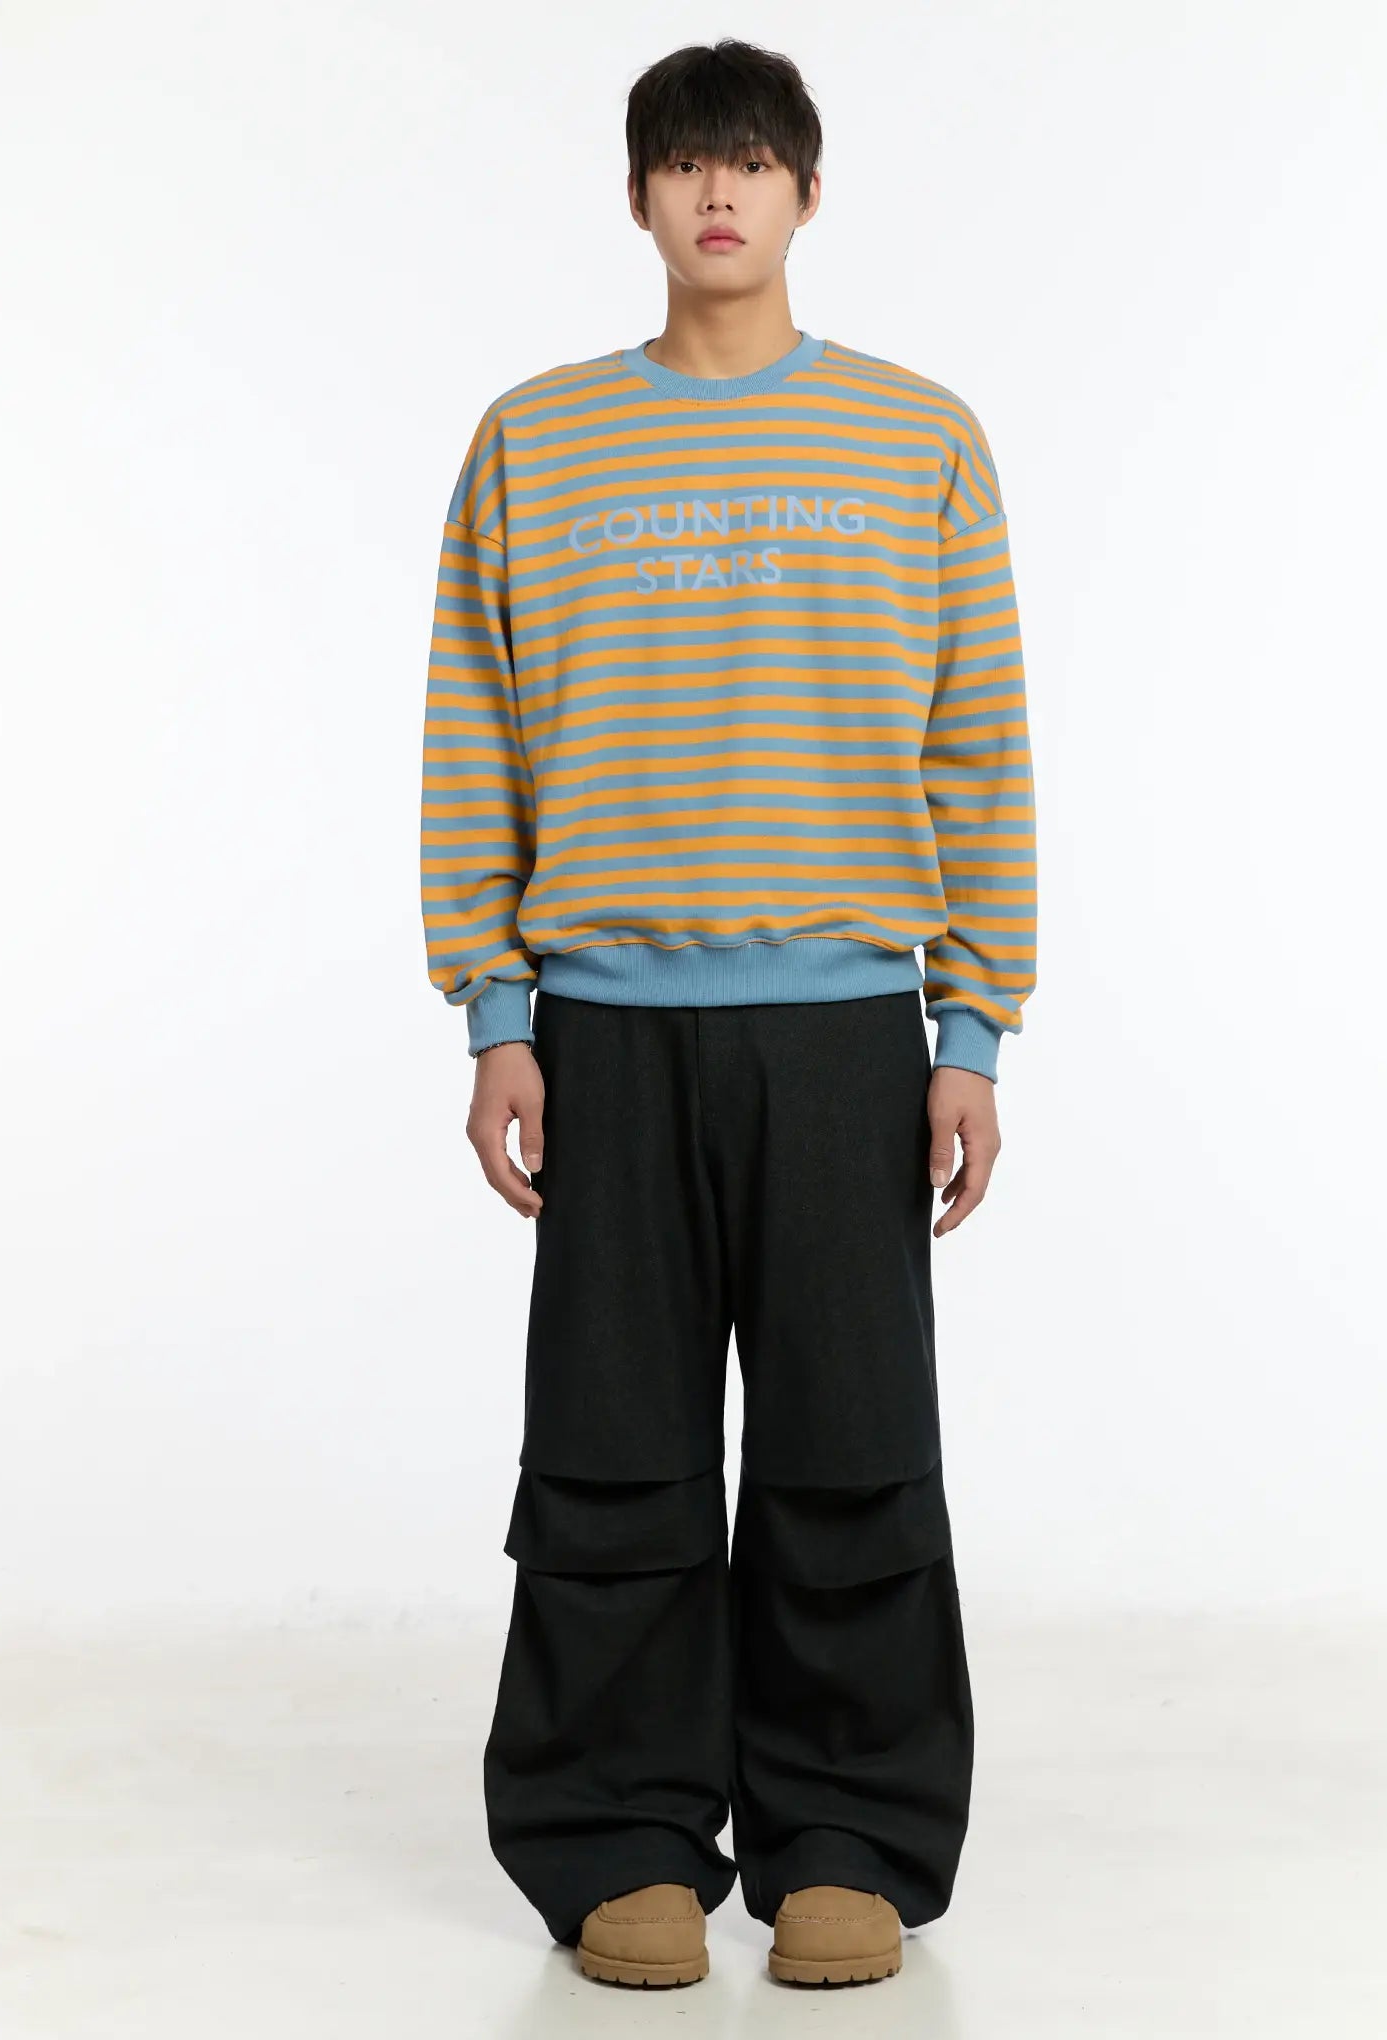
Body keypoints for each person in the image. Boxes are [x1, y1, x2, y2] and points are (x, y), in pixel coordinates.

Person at [417, 35, 1037, 1989]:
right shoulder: (533, 442)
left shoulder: (920, 441)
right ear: (639, 196)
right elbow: (473, 741)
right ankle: (621, 1834)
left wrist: (969, 1034)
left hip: (847, 1029)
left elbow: (979, 754)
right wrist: (497, 1013)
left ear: (806, 194)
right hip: (607, 1028)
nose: (718, 190)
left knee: (854, 1446)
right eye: (686, 161)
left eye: (753, 161)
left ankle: (846, 1832)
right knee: (614, 1452)